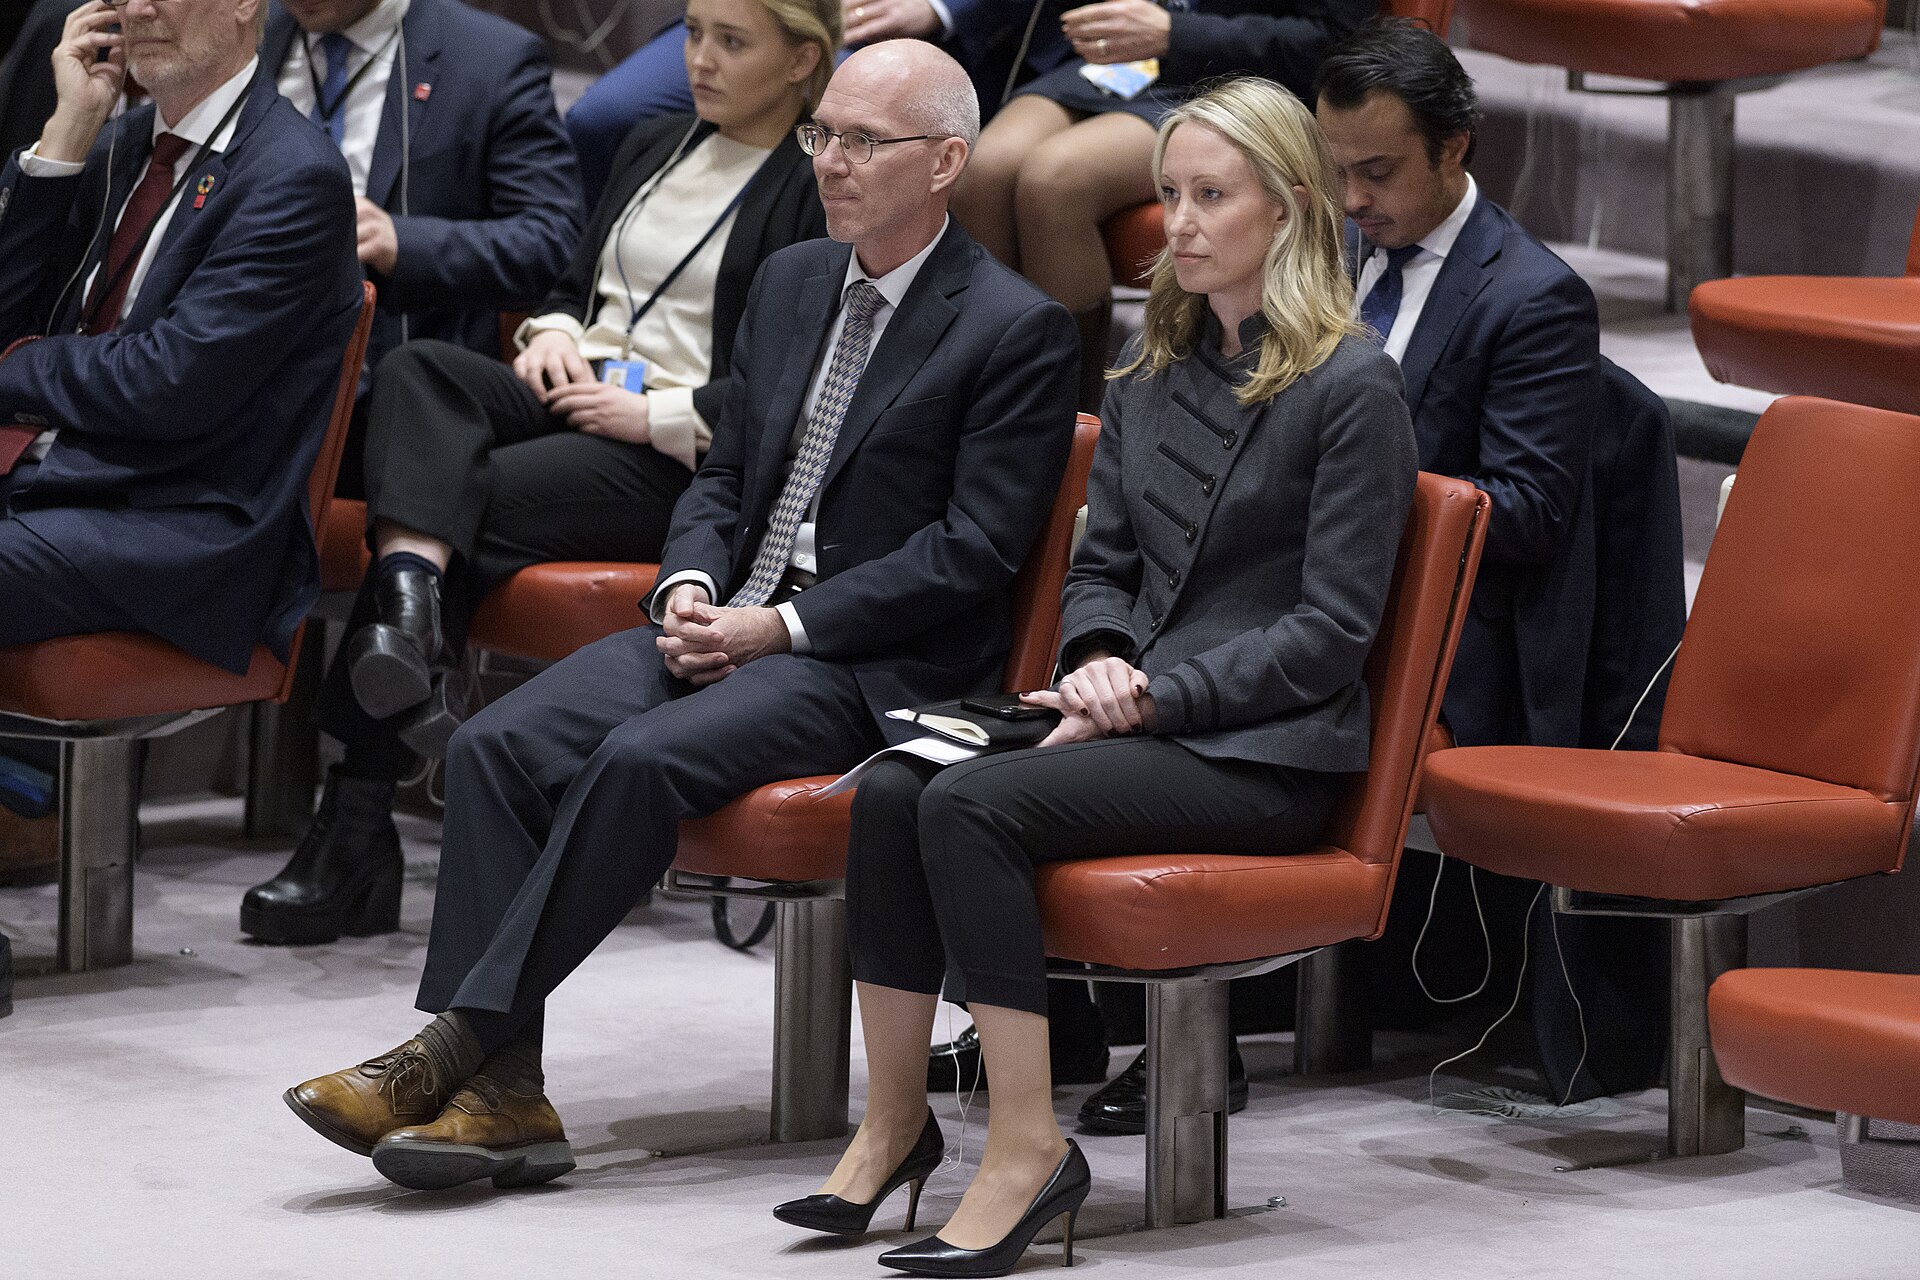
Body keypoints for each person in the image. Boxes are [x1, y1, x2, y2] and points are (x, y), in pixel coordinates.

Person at [282, 39, 1080, 1194]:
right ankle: (505, 1095)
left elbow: (972, 553)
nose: (832, 161)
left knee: (638, 755)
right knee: (500, 745)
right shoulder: (798, 278)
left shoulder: (1013, 326)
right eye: (825, 135)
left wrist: (785, 631)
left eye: (866, 141)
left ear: (949, 159)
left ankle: (452, 1046)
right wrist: (692, 585)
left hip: (862, 660)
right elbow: (722, 476)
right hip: (727, 613)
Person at [776, 77, 1414, 1275]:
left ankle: (1026, 1147)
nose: (1176, 222)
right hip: (1134, 717)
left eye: (1209, 196)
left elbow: (1329, 633)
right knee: (896, 783)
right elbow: (1100, 564)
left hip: (1262, 753)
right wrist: (1099, 656)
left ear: (1287, 209)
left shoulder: (1350, 386)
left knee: (967, 805)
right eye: (1169, 193)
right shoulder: (1153, 360)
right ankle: (896, 1121)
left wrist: (1159, 693)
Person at [238, 0, 840, 947]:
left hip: (681, 453)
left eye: (732, 41)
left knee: (447, 496)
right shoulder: (654, 143)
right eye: (691, 34)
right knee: (422, 372)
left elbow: (805, 378)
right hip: (581, 399)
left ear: (805, 60)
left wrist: (659, 413)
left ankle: (358, 809)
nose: (699, 61)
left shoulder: (814, 187)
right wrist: (554, 334)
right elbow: (572, 284)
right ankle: (408, 601)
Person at [1315, 18, 1679, 1100]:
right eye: (1336, 172)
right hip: (1326, 598)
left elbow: (1524, 513)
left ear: (1455, 146)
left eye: (1377, 172)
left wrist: (1343, 486)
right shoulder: (1327, 252)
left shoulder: (1533, 298)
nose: (1353, 201)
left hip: (1460, 640)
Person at [0, 0, 361, 670]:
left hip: (173, 524)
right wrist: (66, 131)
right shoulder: (112, 144)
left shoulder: (294, 176)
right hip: (52, 478)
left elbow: (166, 383)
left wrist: (19, 363)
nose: (139, 7)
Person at [953, 0, 1376, 408]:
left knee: (1055, 180)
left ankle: (1064, 408)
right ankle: (990, 393)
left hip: (1234, 76)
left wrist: (1176, 33)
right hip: (1117, 65)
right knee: (982, 171)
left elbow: (1333, 39)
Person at [260, 0, 583, 490]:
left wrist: (400, 241)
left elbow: (550, 241)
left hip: (385, 387)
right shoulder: (248, 34)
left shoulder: (488, 57)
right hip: (240, 348)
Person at [564, 0, 1071, 206]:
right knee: (603, 118)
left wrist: (940, 7)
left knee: (840, 124)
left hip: (902, 20)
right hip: (757, 10)